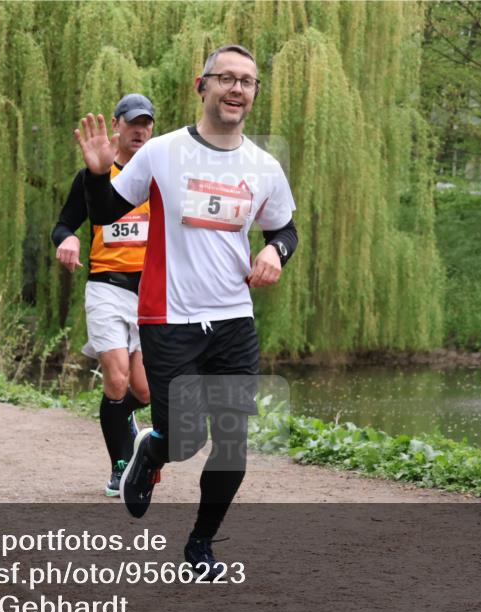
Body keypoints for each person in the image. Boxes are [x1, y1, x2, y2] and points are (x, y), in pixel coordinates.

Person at [75, 45, 299, 575]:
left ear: (254, 93)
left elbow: (285, 228)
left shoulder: (264, 167)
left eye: (247, 81)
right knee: (183, 438)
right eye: (226, 78)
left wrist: (275, 251)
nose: (236, 88)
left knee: (232, 443)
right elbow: (106, 212)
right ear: (202, 86)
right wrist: (97, 174)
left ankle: (201, 546)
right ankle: (153, 450)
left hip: (233, 320)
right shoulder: (163, 152)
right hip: (168, 318)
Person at [53, 93, 155, 497]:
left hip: (150, 293)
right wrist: (69, 240)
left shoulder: (160, 178)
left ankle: (121, 418)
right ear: (116, 125)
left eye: (146, 124)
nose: (139, 131)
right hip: (106, 287)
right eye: (132, 123)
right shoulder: (94, 175)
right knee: (116, 379)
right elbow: (64, 224)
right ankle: (120, 466)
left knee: (144, 390)